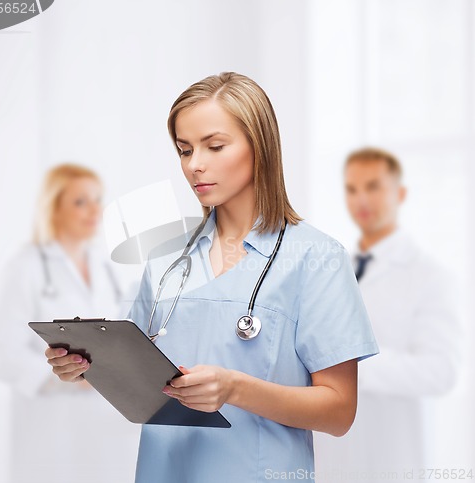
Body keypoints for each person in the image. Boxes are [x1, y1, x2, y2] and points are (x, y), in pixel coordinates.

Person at [45, 73, 379, 483]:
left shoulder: (316, 258)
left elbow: (339, 411)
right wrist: (86, 367)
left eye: (215, 146)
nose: (194, 164)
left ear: (260, 147)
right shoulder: (165, 259)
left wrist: (235, 388)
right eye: (185, 150)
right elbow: (141, 377)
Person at [314, 148, 460, 481]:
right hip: (335, 458)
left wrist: (347, 365)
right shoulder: (335, 268)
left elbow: (441, 371)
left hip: (391, 460)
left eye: (373, 186)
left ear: (400, 193)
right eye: (352, 189)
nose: (361, 199)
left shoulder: (430, 276)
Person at [0, 164, 140, 483]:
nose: (94, 210)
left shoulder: (108, 268)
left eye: (98, 200)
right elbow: (2, 355)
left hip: (107, 428)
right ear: (53, 207)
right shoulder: (25, 266)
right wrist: (64, 377)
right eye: (80, 201)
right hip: (50, 429)